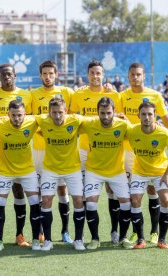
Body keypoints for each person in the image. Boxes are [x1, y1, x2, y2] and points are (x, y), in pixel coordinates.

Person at [119, 62, 168, 246]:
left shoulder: (154, 95)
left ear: (144, 76)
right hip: (129, 150)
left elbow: (166, 120)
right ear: (128, 76)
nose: (135, 77)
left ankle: (154, 231)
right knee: (133, 195)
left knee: (153, 191)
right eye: (132, 74)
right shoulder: (122, 96)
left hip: (152, 151)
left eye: (138, 74)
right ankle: (137, 234)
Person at [70, 60, 123, 244]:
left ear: (103, 75)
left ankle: (114, 232)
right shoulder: (78, 94)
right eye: (92, 73)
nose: (95, 76)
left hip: (110, 151)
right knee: (86, 195)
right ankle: (85, 234)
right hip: (85, 151)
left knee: (112, 192)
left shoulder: (113, 95)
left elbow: (121, 118)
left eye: (98, 73)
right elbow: (72, 119)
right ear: (87, 74)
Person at [0, 64, 33, 247]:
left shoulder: (27, 95)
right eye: (3, 75)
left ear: (15, 76)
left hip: (19, 150)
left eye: (10, 74)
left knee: (19, 191)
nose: (7, 77)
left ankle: (20, 235)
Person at [30, 60, 75, 244]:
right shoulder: (31, 94)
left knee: (62, 190)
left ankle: (65, 231)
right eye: (44, 74)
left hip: (61, 150)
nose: (48, 77)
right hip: (38, 150)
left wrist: (107, 88)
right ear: (40, 75)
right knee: (42, 192)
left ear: (56, 74)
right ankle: (41, 230)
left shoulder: (67, 92)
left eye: (51, 73)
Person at [80, 97, 132, 250]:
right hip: (94, 171)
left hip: (117, 171)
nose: (105, 117)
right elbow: (69, 122)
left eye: (109, 113)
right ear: (97, 113)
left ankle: (123, 237)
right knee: (90, 204)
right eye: (102, 113)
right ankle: (95, 238)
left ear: (114, 112)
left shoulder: (123, 125)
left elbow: (139, 133)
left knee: (126, 203)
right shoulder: (89, 124)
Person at [0, 100, 41, 251]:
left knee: (34, 202)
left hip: (27, 171)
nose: (17, 119)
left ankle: (36, 240)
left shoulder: (32, 122)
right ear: (8, 115)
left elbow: (50, 119)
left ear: (25, 114)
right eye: (13, 115)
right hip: (5, 171)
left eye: (20, 115)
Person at [35, 97, 86, 251]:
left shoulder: (75, 120)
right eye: (54, 112)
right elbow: (24, 118)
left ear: (66, 111)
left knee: (78, 199)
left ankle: (78, 239)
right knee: (46, 200)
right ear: (49, 113)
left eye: (60, 112)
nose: (57, 116)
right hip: (50, 169)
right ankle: (48, 241)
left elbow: (95, 120)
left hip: (72, 168)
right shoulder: (43, 121)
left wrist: (117, 116)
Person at [127, 102, 168, 249]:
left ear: (155, 116)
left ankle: (161, 239)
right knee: (135, 201)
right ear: (138, 116)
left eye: (150, 114)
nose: (147, 117)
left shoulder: (164, 133)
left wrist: (167, 174)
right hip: (140, 171)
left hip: (159, 172)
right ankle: (141, 240)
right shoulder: (132, 131)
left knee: (166, 200)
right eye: (143, 114)